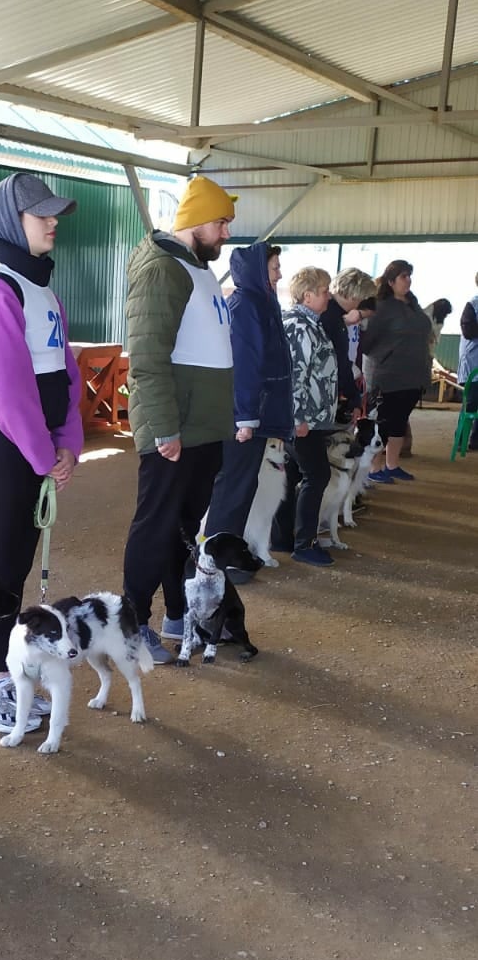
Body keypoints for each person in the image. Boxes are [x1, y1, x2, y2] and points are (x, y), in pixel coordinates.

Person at [0, 171, 83, 732]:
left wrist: (69, 442)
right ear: (11, 222)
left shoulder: (41, 288)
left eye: (54, 214)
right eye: (41, 215)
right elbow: (8, 387)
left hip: (33, 448)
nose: (53, 222)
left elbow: (65, 370)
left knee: (16, 564)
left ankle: (2, 675)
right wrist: (41, 452)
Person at [121, 174, 237, 662]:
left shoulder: (195, 268)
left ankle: (177, 615)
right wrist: (165, 428)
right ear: (195, 223)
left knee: (183, 527)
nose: (226, 235)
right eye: (221, 223)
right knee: (156, 525)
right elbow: (146, 356)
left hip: (201, 428)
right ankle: (130, 625)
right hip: (177, 430)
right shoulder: (162, 269)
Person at [203, 241, 293, 582]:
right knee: (232, 489)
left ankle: (230, 555)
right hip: (244, 417)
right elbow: (244, 364)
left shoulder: (262, 303)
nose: (279, 274)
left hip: (257, 413)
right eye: (273, 268)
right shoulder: (245, 306)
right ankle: (216, 564)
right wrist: (244, 415)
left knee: (241, 489)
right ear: (258, 270)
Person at [270, 267, 340, 568]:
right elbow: (295, 376)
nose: (329, 296)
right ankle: (304, 543)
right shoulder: (299, 326)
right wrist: (296, 416)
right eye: (324, 291)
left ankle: (284, 538)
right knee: (318, 474)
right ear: (308, 295)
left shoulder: (310, 323)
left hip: (311, 416)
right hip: (303, 419)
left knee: (296, 474)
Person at [360, 259, 432, 483]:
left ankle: (392, 465)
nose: (408, 280)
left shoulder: (413, 304)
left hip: (413, 375)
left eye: (410, 276)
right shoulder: (380, 307)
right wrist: (384, 355)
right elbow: (367, 341)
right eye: (403, 276)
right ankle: (374, 468)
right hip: (388, 375)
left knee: (400, 421)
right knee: (383, 422)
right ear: (390, 281)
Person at [320, 268, 376, 421]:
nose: (361, 303)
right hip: (319, 399)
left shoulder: (333, 316)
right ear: (354, 295)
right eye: (362, 299)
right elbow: (340, 362)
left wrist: (353, 396)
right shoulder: (331, 318)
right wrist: (353, 397)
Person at [459, 273, 478, 451]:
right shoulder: (472, 305)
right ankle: (462, 440)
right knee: (471, 404)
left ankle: (475, 440)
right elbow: (468, 331)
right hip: (473, 363)